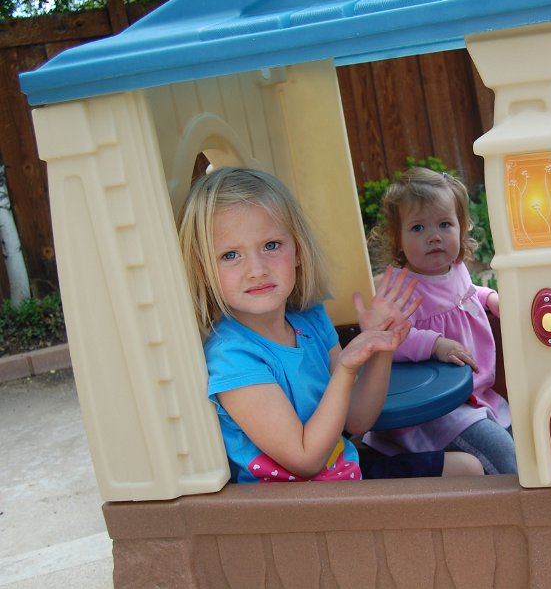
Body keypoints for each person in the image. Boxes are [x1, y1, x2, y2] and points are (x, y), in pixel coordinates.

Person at [178, 166, 483, 483]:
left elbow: (357, 420)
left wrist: (381, 344)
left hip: (346, 475)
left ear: (297, 250)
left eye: (271, 245)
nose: (256, 270)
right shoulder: (233, 356)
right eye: (230, 255)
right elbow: (305, 459)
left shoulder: (308, 319)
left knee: (467, 469)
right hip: (304, 504)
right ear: (204, 269)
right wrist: (346, 369)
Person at [364, 167, 517, 474]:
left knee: (523, 435)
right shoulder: (399, 289)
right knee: (502, 454)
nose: (434, 236)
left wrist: (489, 298)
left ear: (461, 227)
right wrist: (434, 344)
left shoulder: (455, 268)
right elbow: (388, 337)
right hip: (435, 410)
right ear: (397, 238)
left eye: (445, 224)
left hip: (475, 393)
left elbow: (465, 294)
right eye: (418, 228)